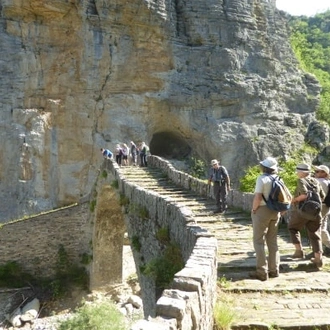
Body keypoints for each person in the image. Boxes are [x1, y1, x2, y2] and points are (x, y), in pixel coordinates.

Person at [249, 157, 281, 281]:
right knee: (272, 241)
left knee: (258, 240)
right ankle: (274, 269)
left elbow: (258, 197)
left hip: (262, 210)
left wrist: (254, 209)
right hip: (275, 211)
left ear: (264, 167)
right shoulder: (278, 178)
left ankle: (262, 271)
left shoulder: (262, 179)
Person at [288, 163, 325, 268]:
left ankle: (299, 251)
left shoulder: (301, 181)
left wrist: (294, 200)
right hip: (316, 212)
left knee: (292, 228)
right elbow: (322, 197)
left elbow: (304, 195)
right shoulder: (316, 181)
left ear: (301, 172)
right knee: (315, 234)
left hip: (303, 212)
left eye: (297, 172)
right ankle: (318, 258)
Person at [314, 165, 330, 255]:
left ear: (324, 173)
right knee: (322, 226)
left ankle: (319, 249)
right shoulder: (327, 181)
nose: (315, 173)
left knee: (318, 228)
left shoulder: (320, 182)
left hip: (320, 206)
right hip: (326, 207)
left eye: (317, 171)